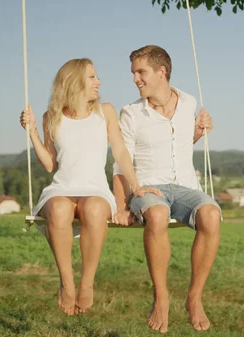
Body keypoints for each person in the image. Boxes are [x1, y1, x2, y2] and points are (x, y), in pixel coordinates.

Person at [19, 58, 162, 316]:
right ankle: (67, 282)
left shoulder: (104, 111)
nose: (99, 82)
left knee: (95, 211)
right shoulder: (51, 116)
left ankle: (86, 282)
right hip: (61, 188)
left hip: (95, 188)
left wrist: (136, 184)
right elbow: (50, 164)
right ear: (75, 82)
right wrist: (32, 133)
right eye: (93, 77)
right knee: (60, 210)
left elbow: (119, 150)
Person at [112, 45, 221, 333]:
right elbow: (121, 162)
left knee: (211, 214)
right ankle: (161, 296)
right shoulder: (131, 113)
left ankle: (194, 297)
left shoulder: (188, 102)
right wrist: (122, 204)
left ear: (162, 72)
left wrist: (198, 132)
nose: (135, 79)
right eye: (134, 73)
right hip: (147, 188)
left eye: (141, 72)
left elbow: (182, 143)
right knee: (158, 214)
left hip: (185, 186)